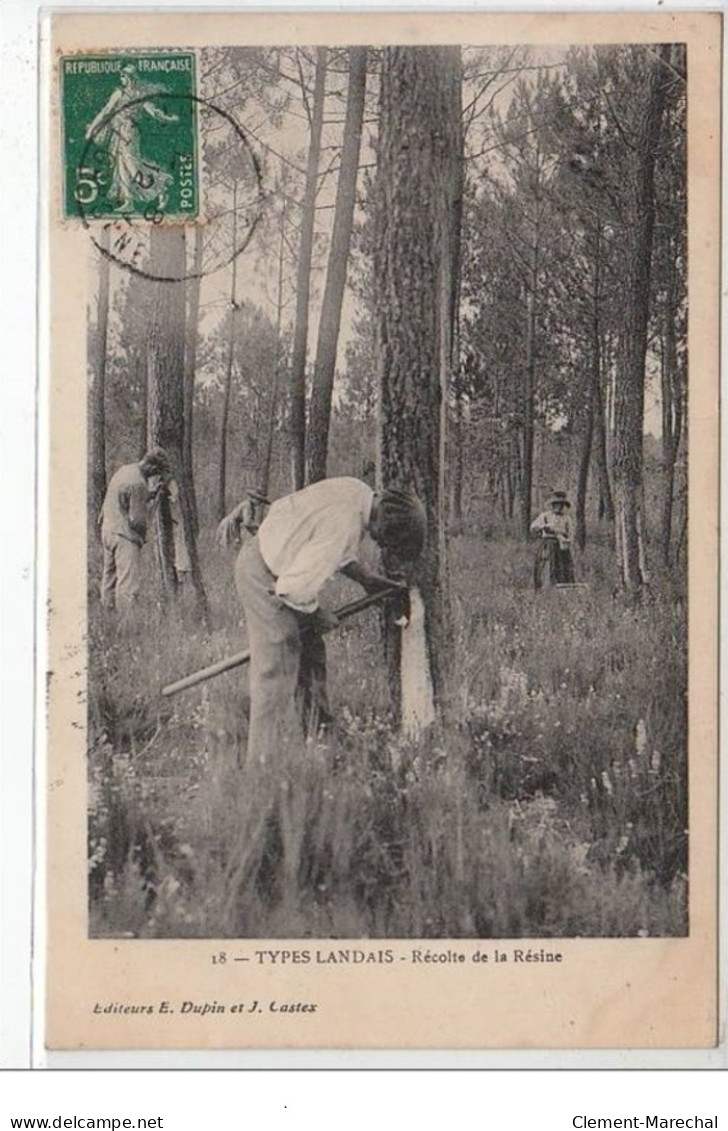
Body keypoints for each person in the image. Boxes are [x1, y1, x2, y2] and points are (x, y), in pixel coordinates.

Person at [231, 476, 426, 766]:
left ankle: (321, 738)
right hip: (262, 572)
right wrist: (317, 615)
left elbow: (335, 550)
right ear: (385, 522)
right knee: (277, 658)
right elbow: (294, 589)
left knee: (311, 653)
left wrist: (366, 579)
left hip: (281, 563)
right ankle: (260, 768)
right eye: (385, 539)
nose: (380, 543)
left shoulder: (358, 493)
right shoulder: (345, 521)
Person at [84, 64, 178, 212]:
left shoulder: (138, 94)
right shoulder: (119, 93)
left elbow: (152, 111)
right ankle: (128, 201)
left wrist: (167, 118)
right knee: (120, 166)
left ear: (131, 78)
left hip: (129, 133)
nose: (122, 79)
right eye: (121, 76)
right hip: (117, 132)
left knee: (133, 166)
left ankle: (160, 188)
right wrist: (92, 128)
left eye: (124, 76)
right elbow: (105, 112)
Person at [99, 448, 171, 612]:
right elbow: (137, 521)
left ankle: (107, 620)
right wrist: (143, 537)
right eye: (157, 473)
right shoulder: (138, 483)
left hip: (108, 530)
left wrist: (150, 494)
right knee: (128, 586)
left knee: (109, 580)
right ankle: (127, 627)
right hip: (124, 537)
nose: (156, 477)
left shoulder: (125, 471)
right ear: (152, 468)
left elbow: (125, 498)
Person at [530, 490, 575, 589]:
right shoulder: (545, 516)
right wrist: (543, 527)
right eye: (557, 504)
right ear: (553, 505)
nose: (559, 507)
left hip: (562, 547)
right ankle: (545, 587)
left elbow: (571, 534)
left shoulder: (567, 518)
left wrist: (565, 538)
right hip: (548, 545)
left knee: (563, 568)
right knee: (547, 567)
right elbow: (533, 527)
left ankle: (563, 588)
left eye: (561, 505)